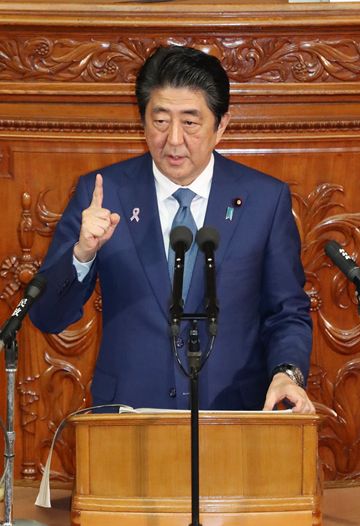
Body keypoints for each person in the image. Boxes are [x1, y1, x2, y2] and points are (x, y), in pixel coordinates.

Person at [30, 45, 315, 414]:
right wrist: (81, 255)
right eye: (161, 121)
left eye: (190, 123)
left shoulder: (265, 199)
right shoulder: (102, 194)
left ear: (221, 126)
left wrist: (286, 372)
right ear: (143, 120)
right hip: (127, 417)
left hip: (234, 417)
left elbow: (287, 311)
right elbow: (47, 316)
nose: (174, 139)